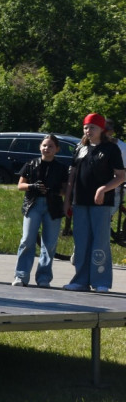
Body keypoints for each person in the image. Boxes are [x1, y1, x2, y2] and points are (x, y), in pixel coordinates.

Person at [63, 113, 125, 292]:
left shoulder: (110, 149)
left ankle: (101, 281)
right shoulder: (80, 148)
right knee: (81, 241)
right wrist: (67, 200)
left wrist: (103, 189)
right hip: (80, 201)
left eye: (92, 127)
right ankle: (80, 280)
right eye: (86, 127)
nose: (88, 131)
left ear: (101, 129)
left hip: (101, 203)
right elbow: (72, 176)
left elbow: (121, 176)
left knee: (100, 241)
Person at [13, 134, 69, 287]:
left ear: (57, 149)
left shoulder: (61, 168)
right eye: (44, 145)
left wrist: (57, 191)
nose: (47, 148)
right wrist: (32, 186)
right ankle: (21, 276)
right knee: (27, 240)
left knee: (49, 243)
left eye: (51, 146)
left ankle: (44, 278)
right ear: (40, 147)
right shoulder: (31, 164)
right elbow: (20, 185)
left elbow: (65, 190)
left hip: (53, 206)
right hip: (33, 204)